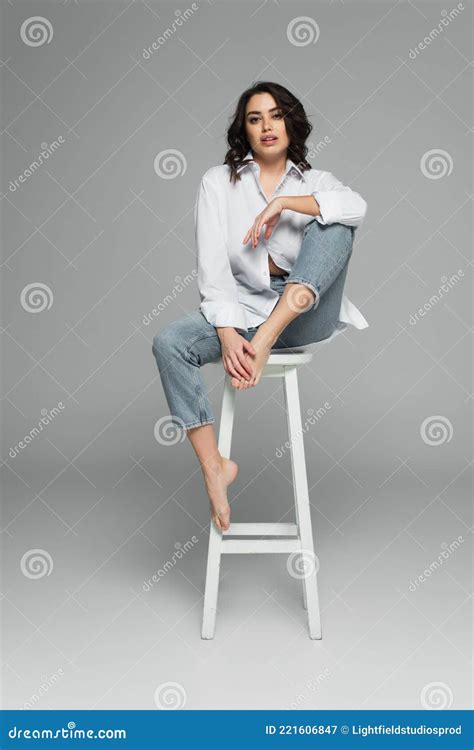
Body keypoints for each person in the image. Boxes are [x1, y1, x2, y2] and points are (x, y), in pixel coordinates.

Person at [152, 81, 368, 533]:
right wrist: (228, 331)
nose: (267, 126)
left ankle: (268, 336)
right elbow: (212, 267)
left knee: (335, 221)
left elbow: (357, 206)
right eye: (255, 119)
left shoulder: (315, 181)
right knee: (170, 342)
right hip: (243, 312)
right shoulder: (218, 182)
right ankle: (214, 467)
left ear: (291, 123)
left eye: (275, 115)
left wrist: (285, 203)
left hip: (305, 315)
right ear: (244, 131)